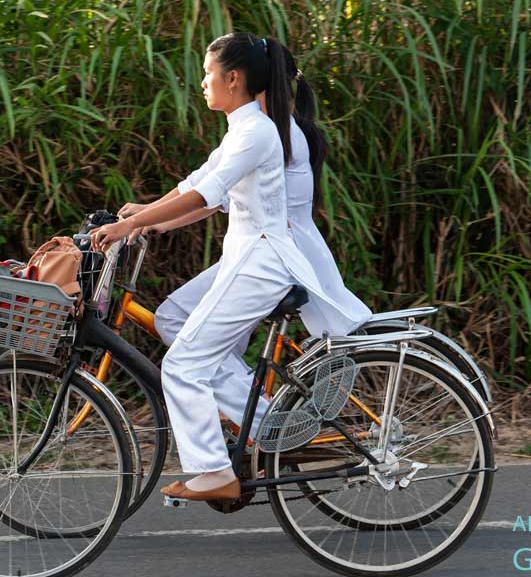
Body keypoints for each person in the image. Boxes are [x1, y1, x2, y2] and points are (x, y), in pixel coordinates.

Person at [91, 33, 368, 501]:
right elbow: (199, 185)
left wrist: (132, 225)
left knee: (183, 365)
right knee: (173, 320)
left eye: (207, 72)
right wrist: (148, 216)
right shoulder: (249, 127)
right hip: (248, 254)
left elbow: (206, 194)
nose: (202, 82)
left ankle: (216, 472)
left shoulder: (258, 131)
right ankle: (262, 423)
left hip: (262, 261)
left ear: (233, 78)